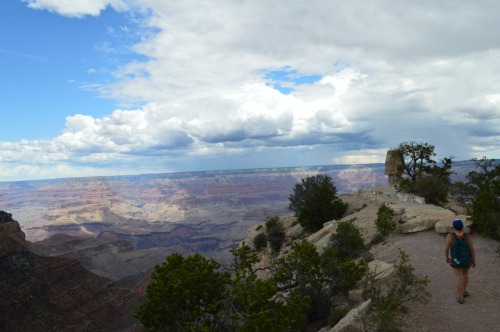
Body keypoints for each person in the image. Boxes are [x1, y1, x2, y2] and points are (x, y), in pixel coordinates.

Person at [444, 219, 476, 304]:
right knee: (465, 275)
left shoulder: (450, 236)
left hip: (456, 261)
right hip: (466, 260)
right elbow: (471, 249)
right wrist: (473, 260)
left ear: (454, 227)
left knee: (459, 277)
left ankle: (460, 297)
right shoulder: (467, 236)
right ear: (462, 226)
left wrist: (447, 257)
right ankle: (464, 291)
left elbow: (446, 248)